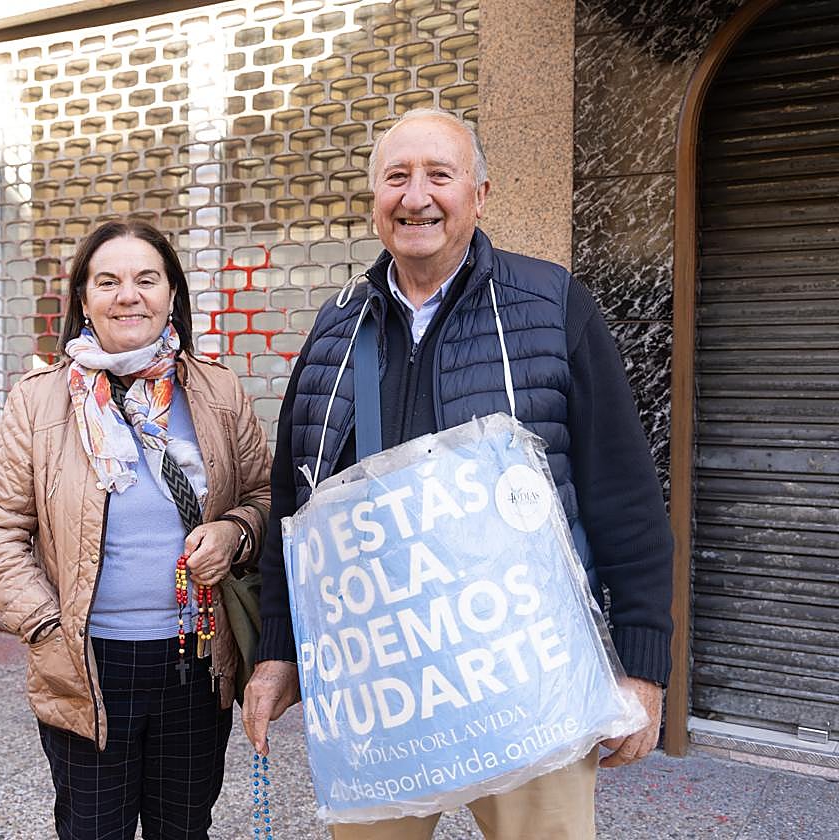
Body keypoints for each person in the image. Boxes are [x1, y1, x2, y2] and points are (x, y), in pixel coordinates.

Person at [242, 107, 674, 839]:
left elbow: (624, 490)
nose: (417, 196)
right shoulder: (334, 326)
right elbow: (299, 503)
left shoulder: (550, 305)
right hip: (379, 692)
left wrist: (641, 665)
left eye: (439, 175)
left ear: (480, 192)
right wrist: (279, 650)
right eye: (396, 177)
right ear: (374, 198)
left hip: (526, 678)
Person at [0, 219, 271, 840]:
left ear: (171, 295)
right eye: (108, 281)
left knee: (182, 829)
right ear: (83, 300)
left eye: (145, 279)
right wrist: (48, 628)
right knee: (93, 829)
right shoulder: (39, 401)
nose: (127, 295)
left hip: (195, 661)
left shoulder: (217, 391)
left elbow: (265, 496)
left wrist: (236, 532)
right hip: (87, 665)